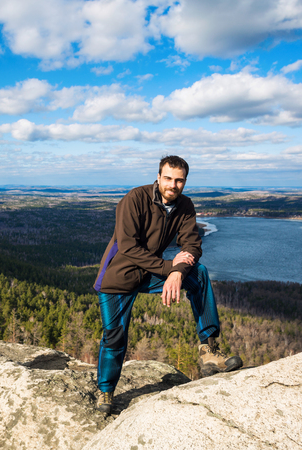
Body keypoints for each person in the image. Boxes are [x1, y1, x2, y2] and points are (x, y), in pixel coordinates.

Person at [93, 155, 243, 414]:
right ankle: (106, 390)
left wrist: (178, 272)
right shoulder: (135, 199)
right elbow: (128, 247)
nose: (173, 185)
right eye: (168, 179)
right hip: (119, 276)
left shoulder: (185, 205)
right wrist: (169, 268)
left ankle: (208, 349)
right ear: (159, 177)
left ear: (185, 181)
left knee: (199, 274)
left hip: (151, 271)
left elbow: (192, 246)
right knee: (115, 336)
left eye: (179, 180)